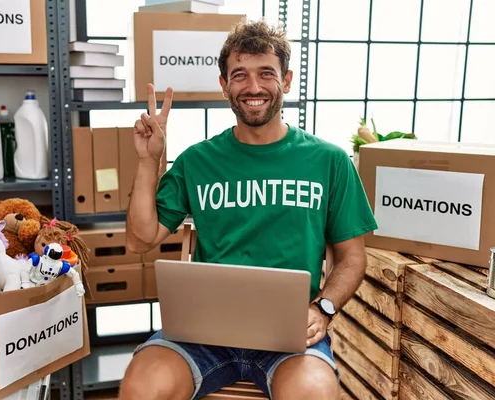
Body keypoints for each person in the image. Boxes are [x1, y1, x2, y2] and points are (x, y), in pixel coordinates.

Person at [120, 18, 378, 400]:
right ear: (224, 85)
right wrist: (149, 161)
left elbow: (352, 258)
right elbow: (140, 240)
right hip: (201, 336)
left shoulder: (330, 161)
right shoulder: (196, 160)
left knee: (315, 393)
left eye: (266, 74)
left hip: (289, 339)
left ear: (286, 81)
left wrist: (323, 308)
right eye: (239, 75)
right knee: (141, 388)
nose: (253, 87)